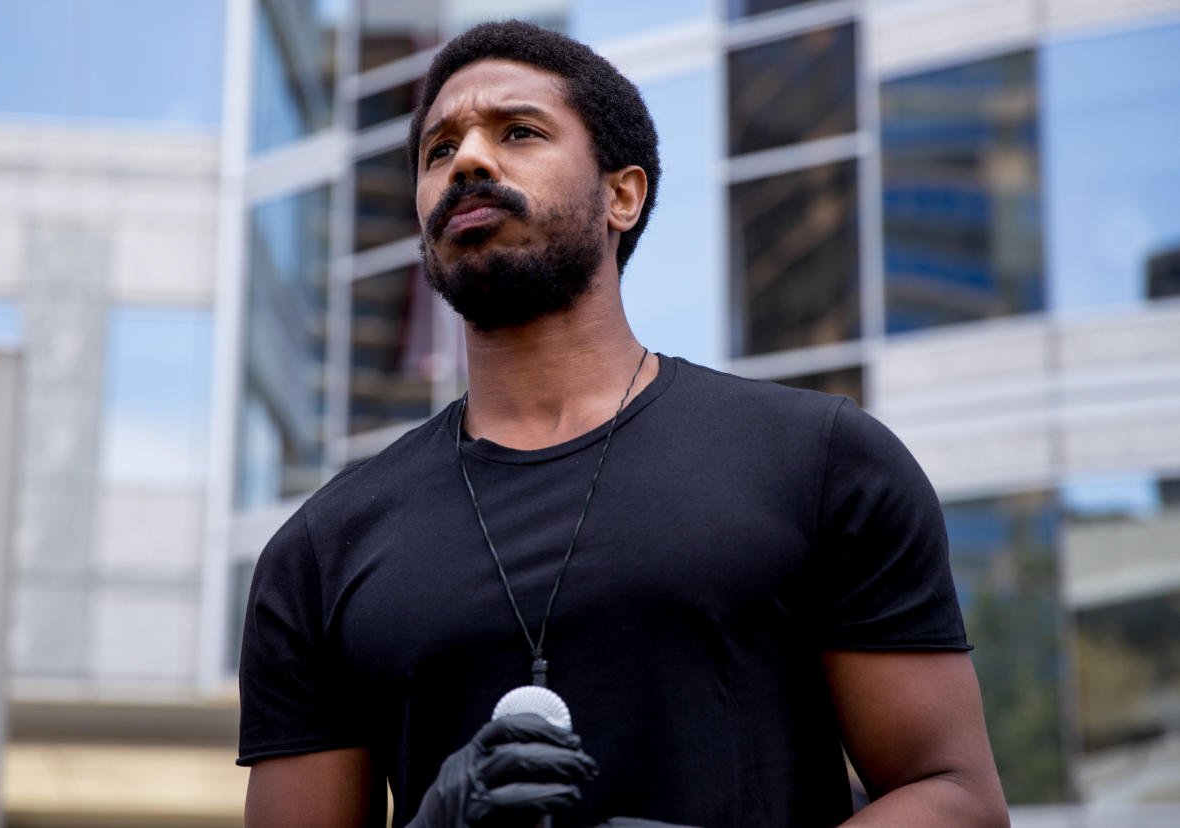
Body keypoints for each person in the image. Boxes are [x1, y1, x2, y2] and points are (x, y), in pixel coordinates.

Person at [238, 20, 1009, 828]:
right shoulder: (321, 549)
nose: (467, 160)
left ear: (622, 194)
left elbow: (956, 799)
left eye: (519, 132)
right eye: (439, 152)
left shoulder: (821, 461)